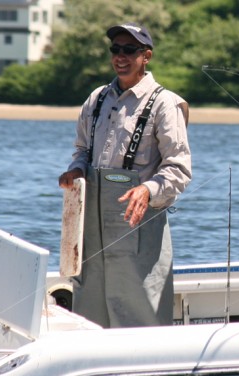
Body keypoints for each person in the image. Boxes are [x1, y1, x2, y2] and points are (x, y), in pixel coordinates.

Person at [59, 22, 191, 328]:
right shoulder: (96, 99)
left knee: (141, 312)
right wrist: (76, 170)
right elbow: (81, 149)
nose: (120, 56)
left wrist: (148, 190)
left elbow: (179, 169)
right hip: (91, 230)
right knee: (88, 312)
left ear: (146, 56)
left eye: (129, 50)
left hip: (139, 228)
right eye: (115, 49)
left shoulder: (164, 103)